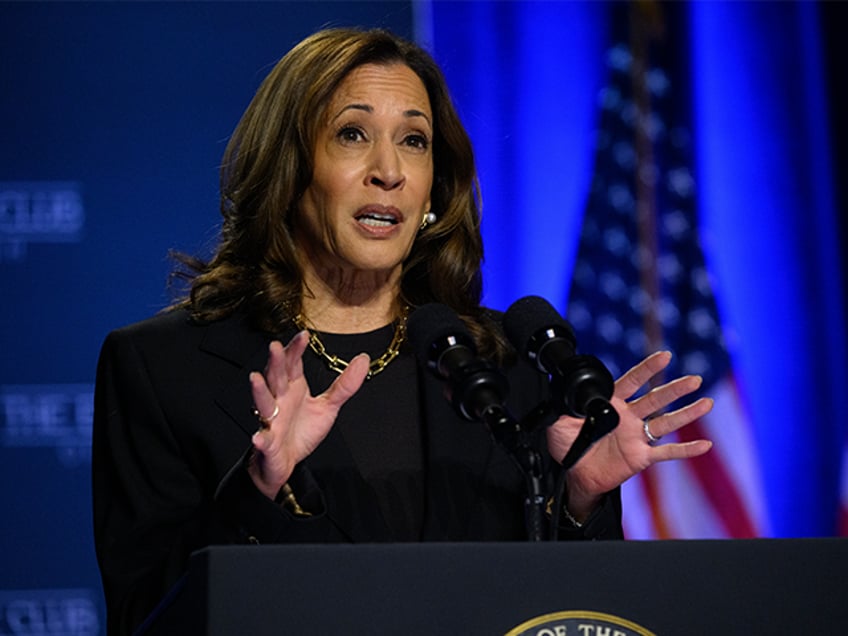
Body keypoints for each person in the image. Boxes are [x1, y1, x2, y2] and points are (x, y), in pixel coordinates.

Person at [91, 27, 713, 635]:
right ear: (289, 169)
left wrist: (579, 499)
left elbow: (570, 613)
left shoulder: (505, 366)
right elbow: (142, 616)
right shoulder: (162, 367)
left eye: (414, 141)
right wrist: (259, 490)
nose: (388, 170)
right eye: (352, 134)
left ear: (433, 191)